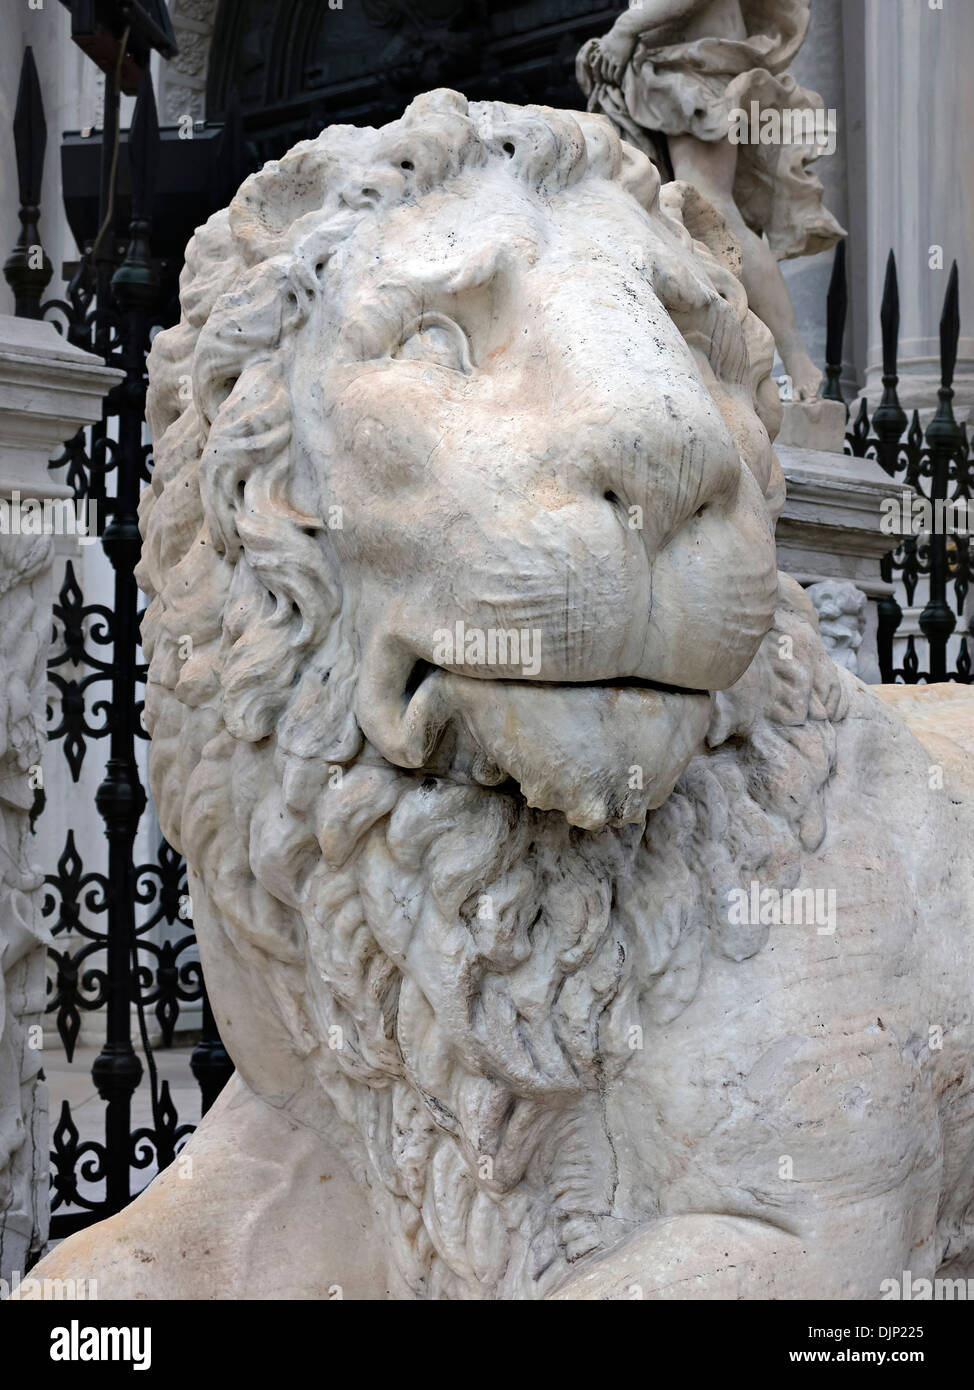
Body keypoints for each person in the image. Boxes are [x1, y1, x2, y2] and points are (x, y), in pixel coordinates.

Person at [578, 0, 844, 400]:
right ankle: (717, 359)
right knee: (665, 215)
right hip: (666, 68)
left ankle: (796, 362)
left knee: (712, 210)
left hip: (699, 67)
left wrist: (626, 28)